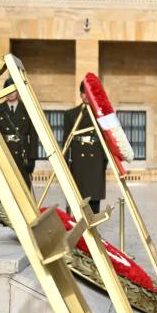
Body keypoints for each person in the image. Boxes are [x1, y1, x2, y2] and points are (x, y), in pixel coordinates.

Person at [0, 78, 38, 227]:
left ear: (18, 91)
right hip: (3, 154)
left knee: (21, 189)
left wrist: (32, 159)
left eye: (13, 90)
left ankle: (21, 220)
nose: (11, 94)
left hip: (21, 155)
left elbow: (34, 136)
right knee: (3, 187)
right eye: (7, 91)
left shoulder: (27, 109)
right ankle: (4, 219)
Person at [63, 82, 108, 214]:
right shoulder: (71, 114)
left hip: (95, 161)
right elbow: (66, 141)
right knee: (78, 199)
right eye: (84, 93)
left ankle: (93, 231)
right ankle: (78, 231)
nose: (86, 96)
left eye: (89, 93)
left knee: (93, 201)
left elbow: (107, 139)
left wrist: (103, 161)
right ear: (80, 94)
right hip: (78, 163)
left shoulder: (101, 114)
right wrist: (65, 164)